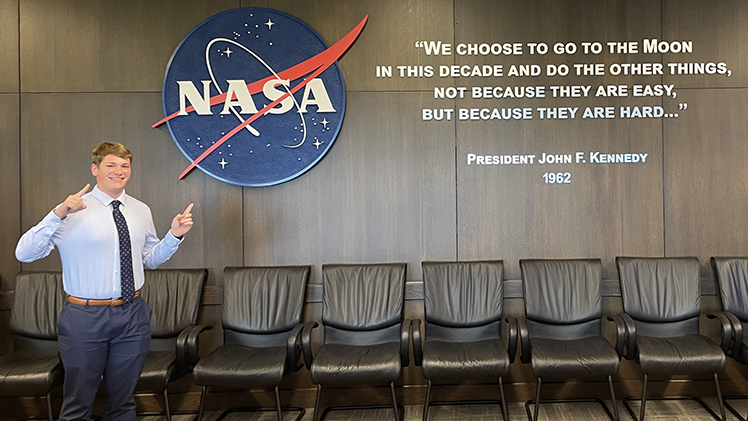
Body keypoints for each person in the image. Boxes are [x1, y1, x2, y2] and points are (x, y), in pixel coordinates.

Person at [15, 142, 194, 421]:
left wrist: (174, 236)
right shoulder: (71, 210)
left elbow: (149, 259)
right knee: (78, 403)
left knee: (124, 401)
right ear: (95, 169)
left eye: (125, 166)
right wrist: (57, 214)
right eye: (111, 165)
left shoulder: (140, 210)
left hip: (132, 314)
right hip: (85, 317)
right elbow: (24, 253)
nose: (119, 171)